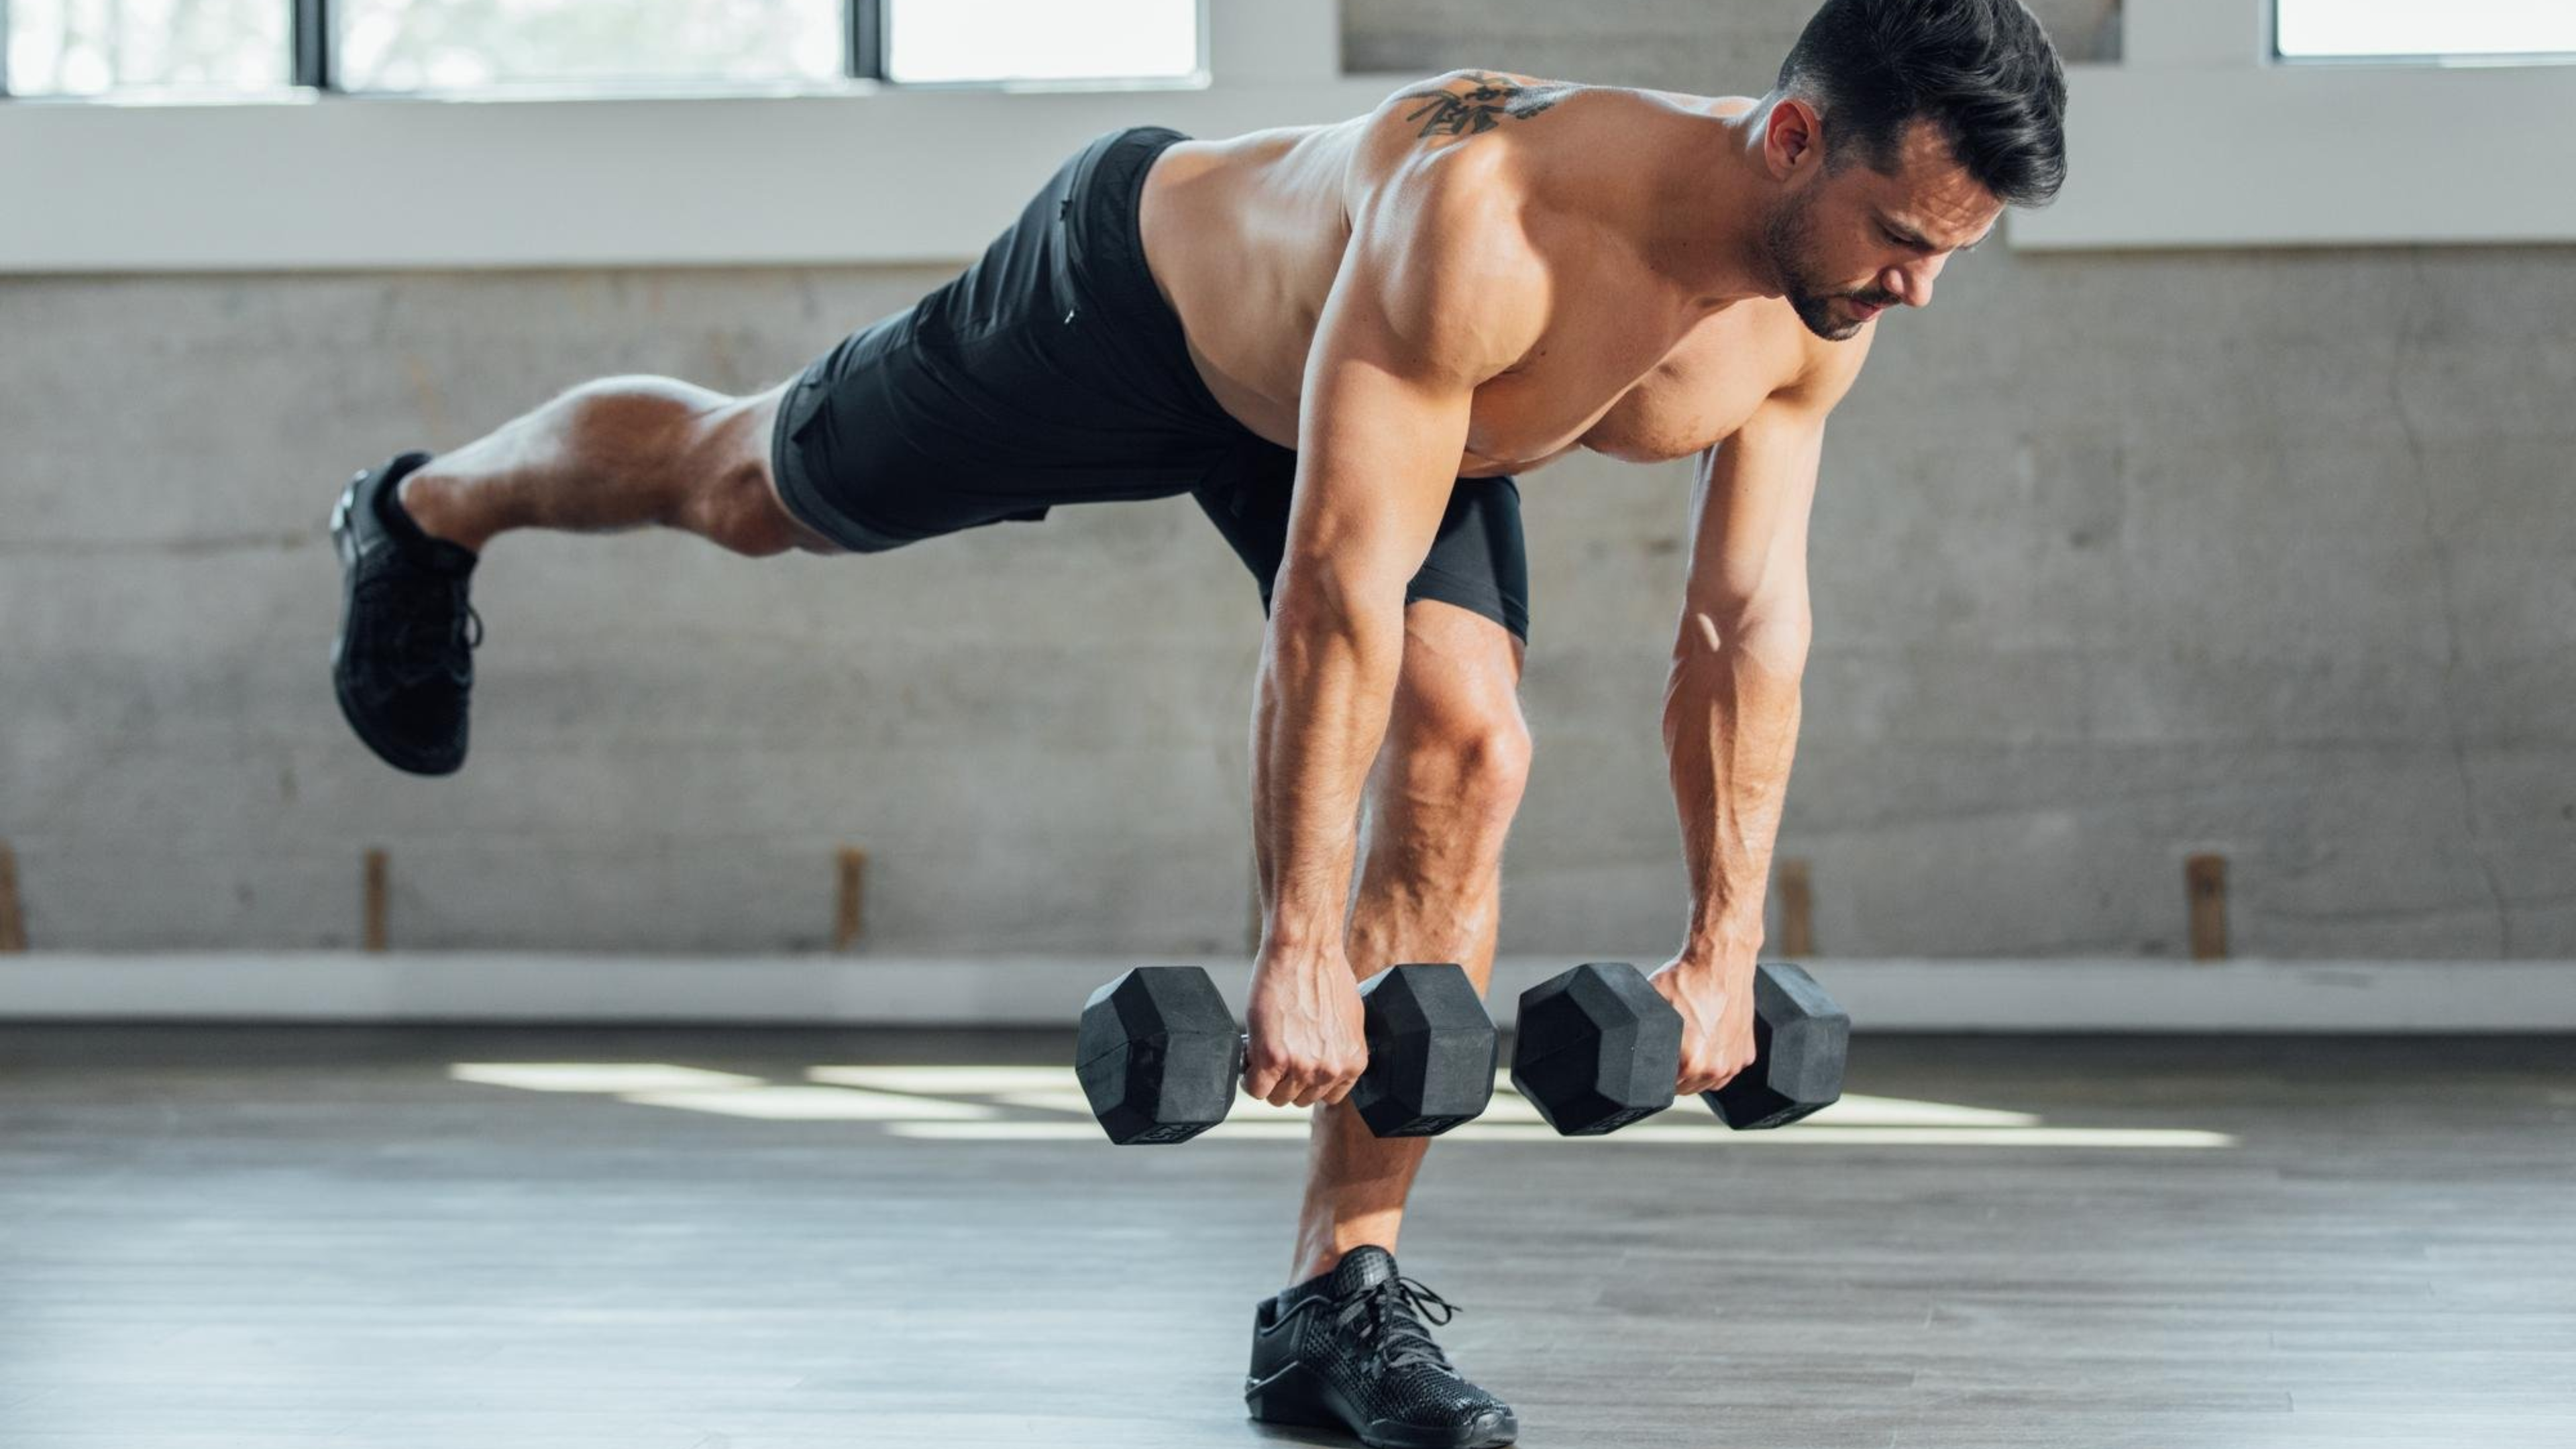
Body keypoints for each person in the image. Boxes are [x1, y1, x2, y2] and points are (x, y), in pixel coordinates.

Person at [327, 2, 2065, 1443]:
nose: (1917, 288)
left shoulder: (1816, 315)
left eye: (1950, 257)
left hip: (1395, 414)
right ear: (1790, 141)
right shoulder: (1499, 218)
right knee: (748, 484)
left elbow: (1744, 623)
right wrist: (1298, 943)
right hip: (1135, 309)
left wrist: (1723, 944)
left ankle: (1337, 1296)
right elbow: (1334, 590)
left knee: (1474, 738)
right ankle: (424, 513)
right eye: (1906, 239)